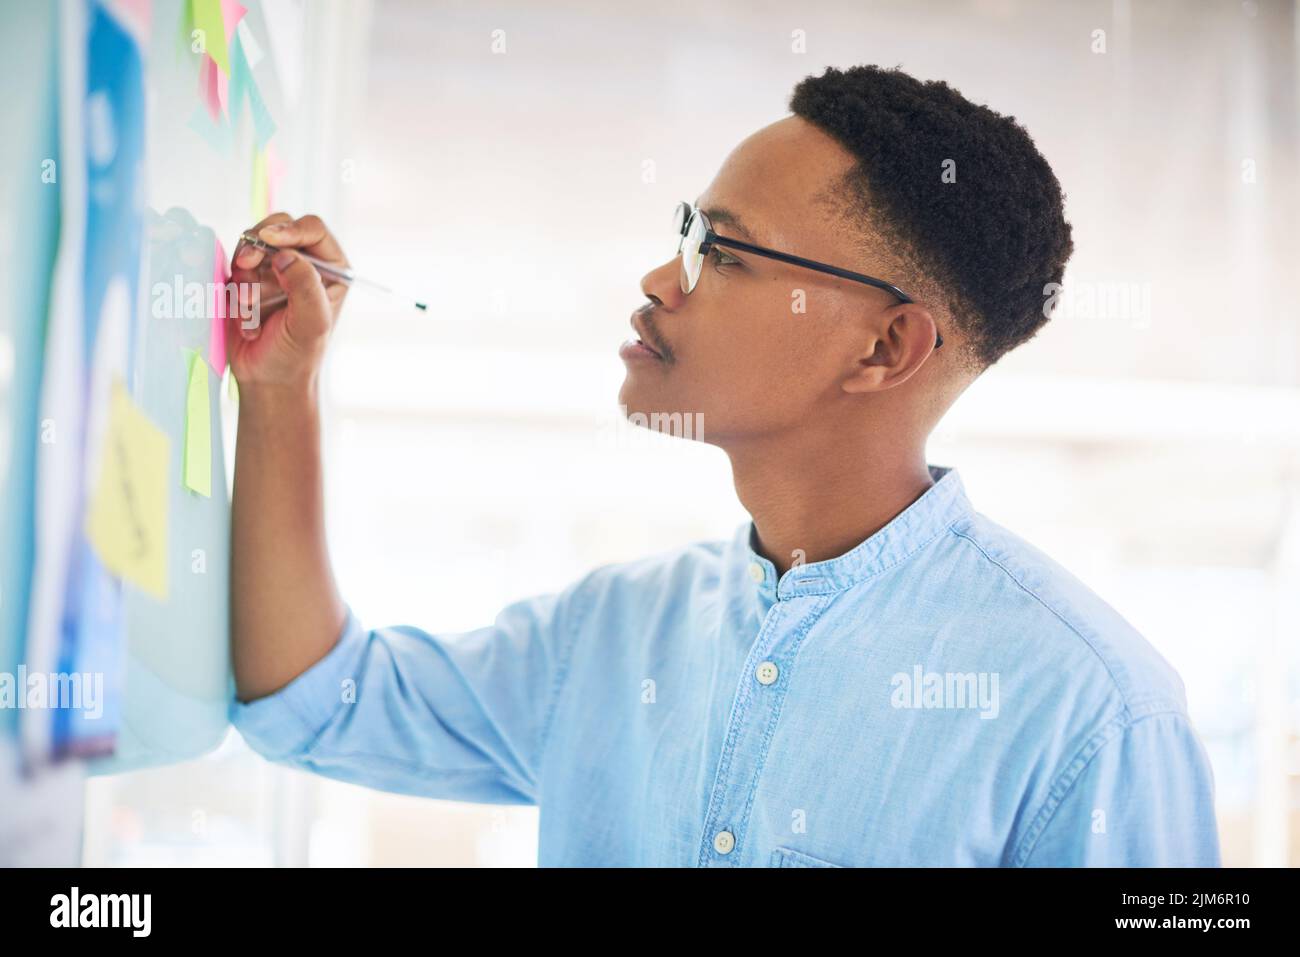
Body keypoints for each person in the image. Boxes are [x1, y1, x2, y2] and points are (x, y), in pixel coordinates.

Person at [226, 65, 1221, 867]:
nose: (663, 279)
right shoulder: (612, 635)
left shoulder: (1093, 711)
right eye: (684, 234)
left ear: (884, 349)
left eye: (724, 253)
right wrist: (281, 390)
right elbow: (314, 701)